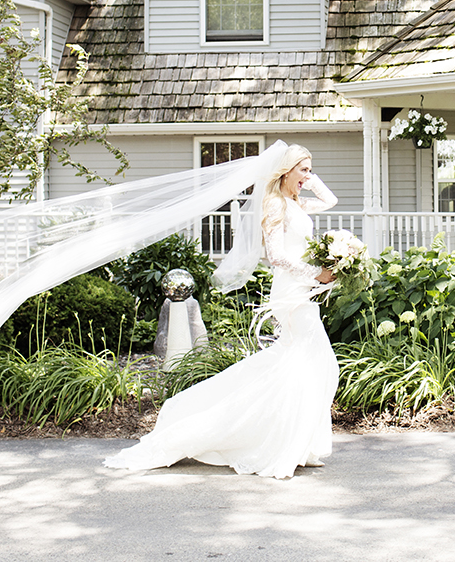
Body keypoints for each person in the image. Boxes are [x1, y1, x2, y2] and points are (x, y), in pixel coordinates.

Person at [105, 143, 339, 479]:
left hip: (303, 291)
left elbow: (330, 202)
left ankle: (298, 443)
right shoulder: (274, 204)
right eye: (303, 169)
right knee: (317, 361)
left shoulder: (296, 202)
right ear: (286, 170)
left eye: (310, 169)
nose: (308, 175)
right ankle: (277, 442)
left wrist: (309, 179)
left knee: (298, 364)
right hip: (291, 293)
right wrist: (316, 274)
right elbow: (275, 256)